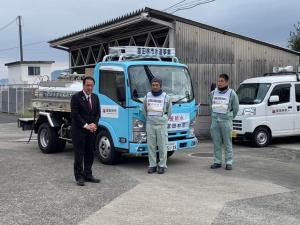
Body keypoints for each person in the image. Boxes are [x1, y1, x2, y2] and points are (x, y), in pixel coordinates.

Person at [71, 76, 101, 186]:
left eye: (91, 85)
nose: (89, 87)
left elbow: (98, 113)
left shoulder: (96, 97)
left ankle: (88, 174)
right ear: (83, 85)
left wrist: (95, 124)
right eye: (87, 85)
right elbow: (75, 114)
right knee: (79, 154)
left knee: (90, 153)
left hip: (91, 131)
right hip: (79, 131)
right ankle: (79, 177)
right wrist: (86, 125)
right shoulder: (76, 97)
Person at [209, 74, 239, 170]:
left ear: (227, 82)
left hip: (226, 120)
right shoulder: (213, 93)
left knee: (227, 142)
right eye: (218, 81)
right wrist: (213, 116)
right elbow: (211, 106)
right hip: (215, 120)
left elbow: (236, 108)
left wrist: (229, 117)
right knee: (216, 142)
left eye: (222, 81)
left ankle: (229, 162)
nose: (219, 83)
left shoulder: (232, 93)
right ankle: (217, 161)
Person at [143, 77, 172, 174]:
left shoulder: (166, 97)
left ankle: (162, 165)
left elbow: (169, 112)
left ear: (160, 86)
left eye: (157, 85)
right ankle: (152, 165)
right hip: (150, 124)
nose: (155, 87)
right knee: (151, 146)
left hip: (161, 124)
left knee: (162, 146)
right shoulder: (147, 96)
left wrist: (164, 120)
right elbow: (144, 110)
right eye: (153, 85)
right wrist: (149, 118)